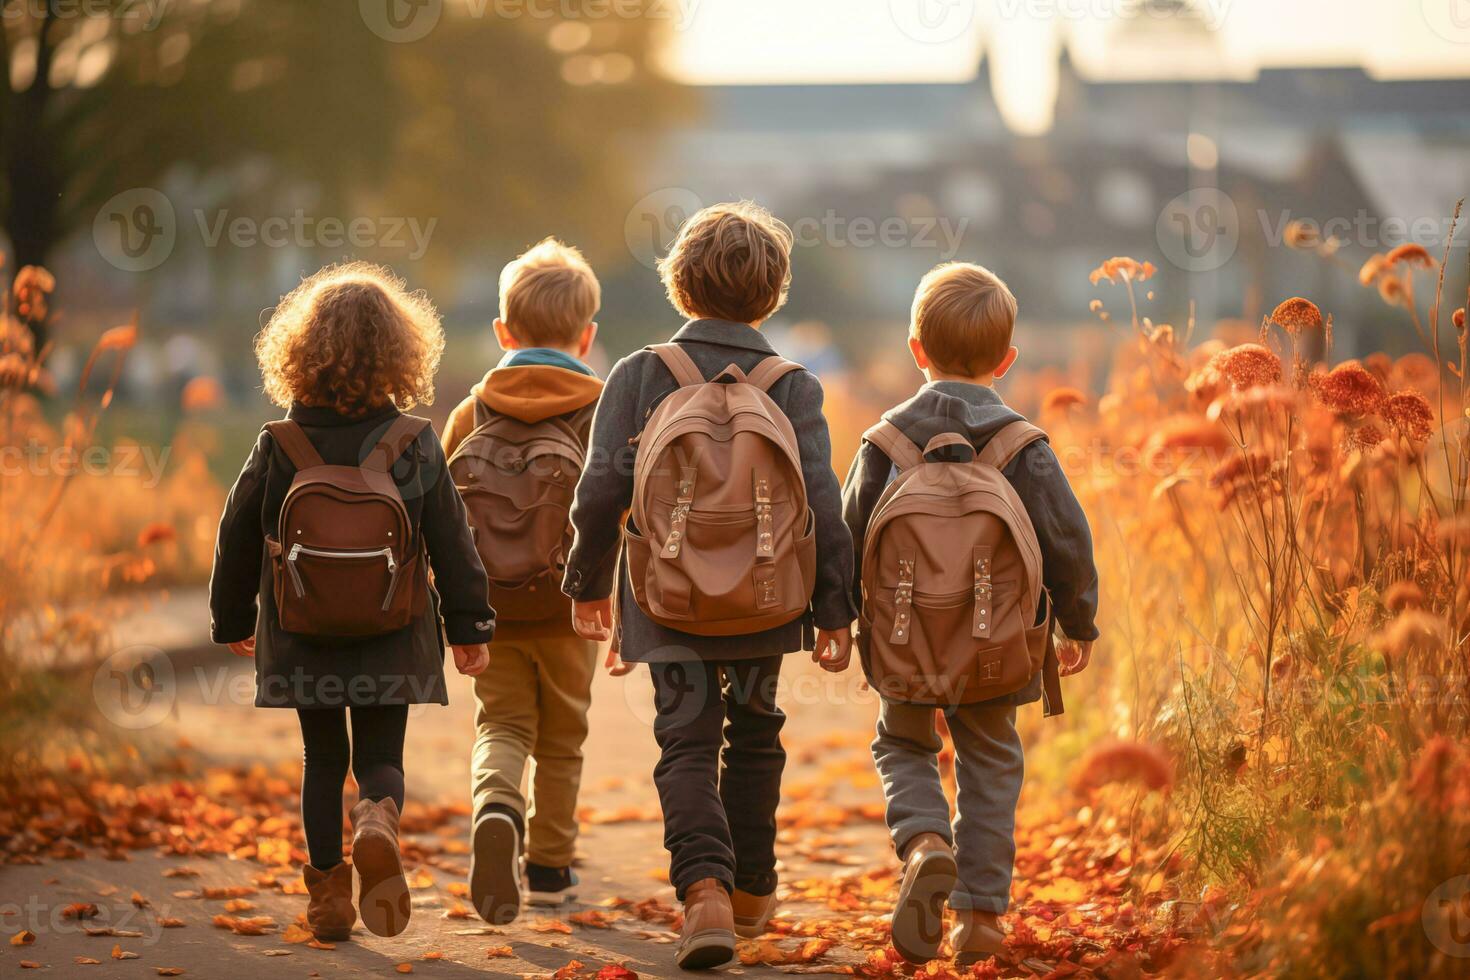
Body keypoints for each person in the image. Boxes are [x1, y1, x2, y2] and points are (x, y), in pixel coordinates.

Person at [561, 202, 857, 969]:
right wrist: (835, 606)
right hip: (768, 596)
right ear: (774, 292)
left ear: (679, 284)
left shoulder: (638, 374)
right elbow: (821, 501)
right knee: (756, 732)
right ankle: (754, 886)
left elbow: (599, 492)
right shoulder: (793, 385)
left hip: (668, 596)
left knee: (684, 740)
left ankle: (705, 892)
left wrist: (588, 582)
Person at [209, 262, 493, 942]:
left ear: (299, 352)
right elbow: (453, 540)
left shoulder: (281, 444)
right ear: (400, 352)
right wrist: (470, 624)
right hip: (391, 626)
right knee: (379, 753)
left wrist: (232, 619)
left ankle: (328, 896)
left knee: (321, 758)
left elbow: (238, 531)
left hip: (303, 625)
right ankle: (376, 816)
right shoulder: (416, 443)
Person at [840, 262, 1099, 964]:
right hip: (1000, 642)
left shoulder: (883, 443)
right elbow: (1066, 539)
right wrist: (1079, 624)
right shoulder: (1024, 445)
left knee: (902, 744)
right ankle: (979, 915)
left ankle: (924, 841)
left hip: (904, 641)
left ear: (916, 349)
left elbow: (846, 537)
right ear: (1007, 360)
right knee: (989, 761)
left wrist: (833, 620)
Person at [441, 239, 607, 921]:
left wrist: (450, 610)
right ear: (587, 337)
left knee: (501, 723)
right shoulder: (600, 409)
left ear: (503, 333)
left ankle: (496, 805)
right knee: (563, 738)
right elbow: (616, 510)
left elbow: (443, 518)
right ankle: (548, 869)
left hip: (491, 607)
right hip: (573, 609)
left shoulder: (472, 411)